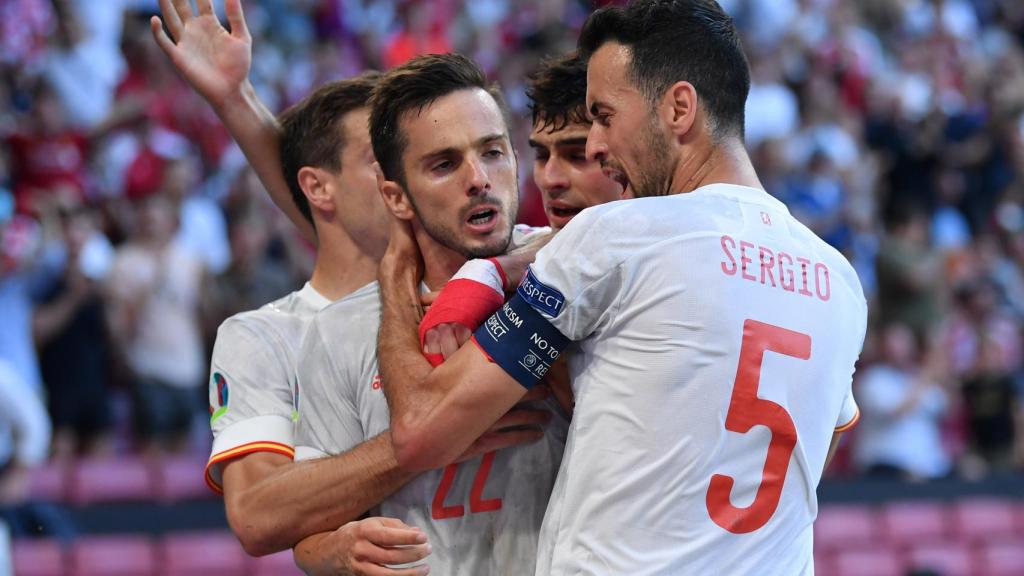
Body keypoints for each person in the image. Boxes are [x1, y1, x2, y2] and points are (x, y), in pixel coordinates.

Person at [375, 1, 869, 574]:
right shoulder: (839, 279)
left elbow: (421, 432)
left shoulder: (615, 236)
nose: (598, 145)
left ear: (679, 108)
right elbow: (815, 456)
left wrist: (394, 280)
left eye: (605, 117)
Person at [151, 2, 539, 571]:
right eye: (382, 161)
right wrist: (440, 431)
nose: (470, 176)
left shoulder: (521, 262)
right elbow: (260, 516)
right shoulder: (275, 335)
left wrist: (237, 100)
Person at [294, 53, 569, 576]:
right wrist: (337, 551)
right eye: (444, 165)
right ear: (396, 198)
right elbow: (309, 532)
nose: (479, 179)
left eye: (492, 152)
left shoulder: (577, 269)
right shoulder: (337, 331)